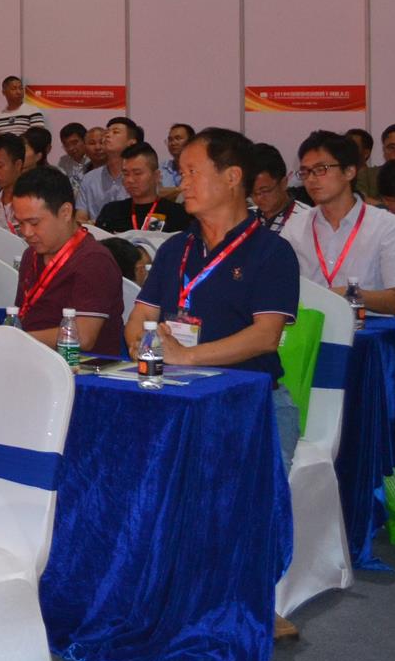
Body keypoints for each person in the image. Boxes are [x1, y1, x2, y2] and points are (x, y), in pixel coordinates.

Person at [126, 127, 300, 441]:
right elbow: (141, 316)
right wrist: (142, 346)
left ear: (232, 177)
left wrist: (187, 356)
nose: (183, 184)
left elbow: (265, 336)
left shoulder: (272, 251)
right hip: (175, 400)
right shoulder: (175, 248)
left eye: (193, 172)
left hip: (247, 406)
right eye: (181, 174)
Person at [0, 165, 125, 353]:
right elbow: (24, 318)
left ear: (65, 212)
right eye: (20, 223)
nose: (26, 232)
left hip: (79, 365)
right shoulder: (30, 255)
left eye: (34, 223)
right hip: (33, 355)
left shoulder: (94, 261)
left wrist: (11, 337)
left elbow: (83, 337)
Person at [286, 130, 395, 313]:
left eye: (321, 169)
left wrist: (349, 294)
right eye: (305, 172)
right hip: (311, 324)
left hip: (367, 324)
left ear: (349, 171)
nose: (311, 179)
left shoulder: (389, 226)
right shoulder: (295, 226)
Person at [94, 143, 191, 233]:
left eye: (137, 173)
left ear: (156, 176)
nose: (130, 180)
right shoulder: (111, 211)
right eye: (126, 174)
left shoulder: (176, 213)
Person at [78, 118, 141, 219]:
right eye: (107, 132)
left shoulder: (140, 176)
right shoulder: (89, 178)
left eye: (115, 132)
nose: (107, 135)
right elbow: (80, 218)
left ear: (131, 142)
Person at [248, 143, 309, 238]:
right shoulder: (246, 217)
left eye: (264, 191)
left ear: (284, 183)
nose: (258, 198)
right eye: (252, 193)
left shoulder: (307, 219)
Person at [345, 128, 380, 201]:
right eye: (345, 146)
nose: (347, 150)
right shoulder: (339, 177)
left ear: (366, 153)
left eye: (353, 147)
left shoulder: (377, 177)